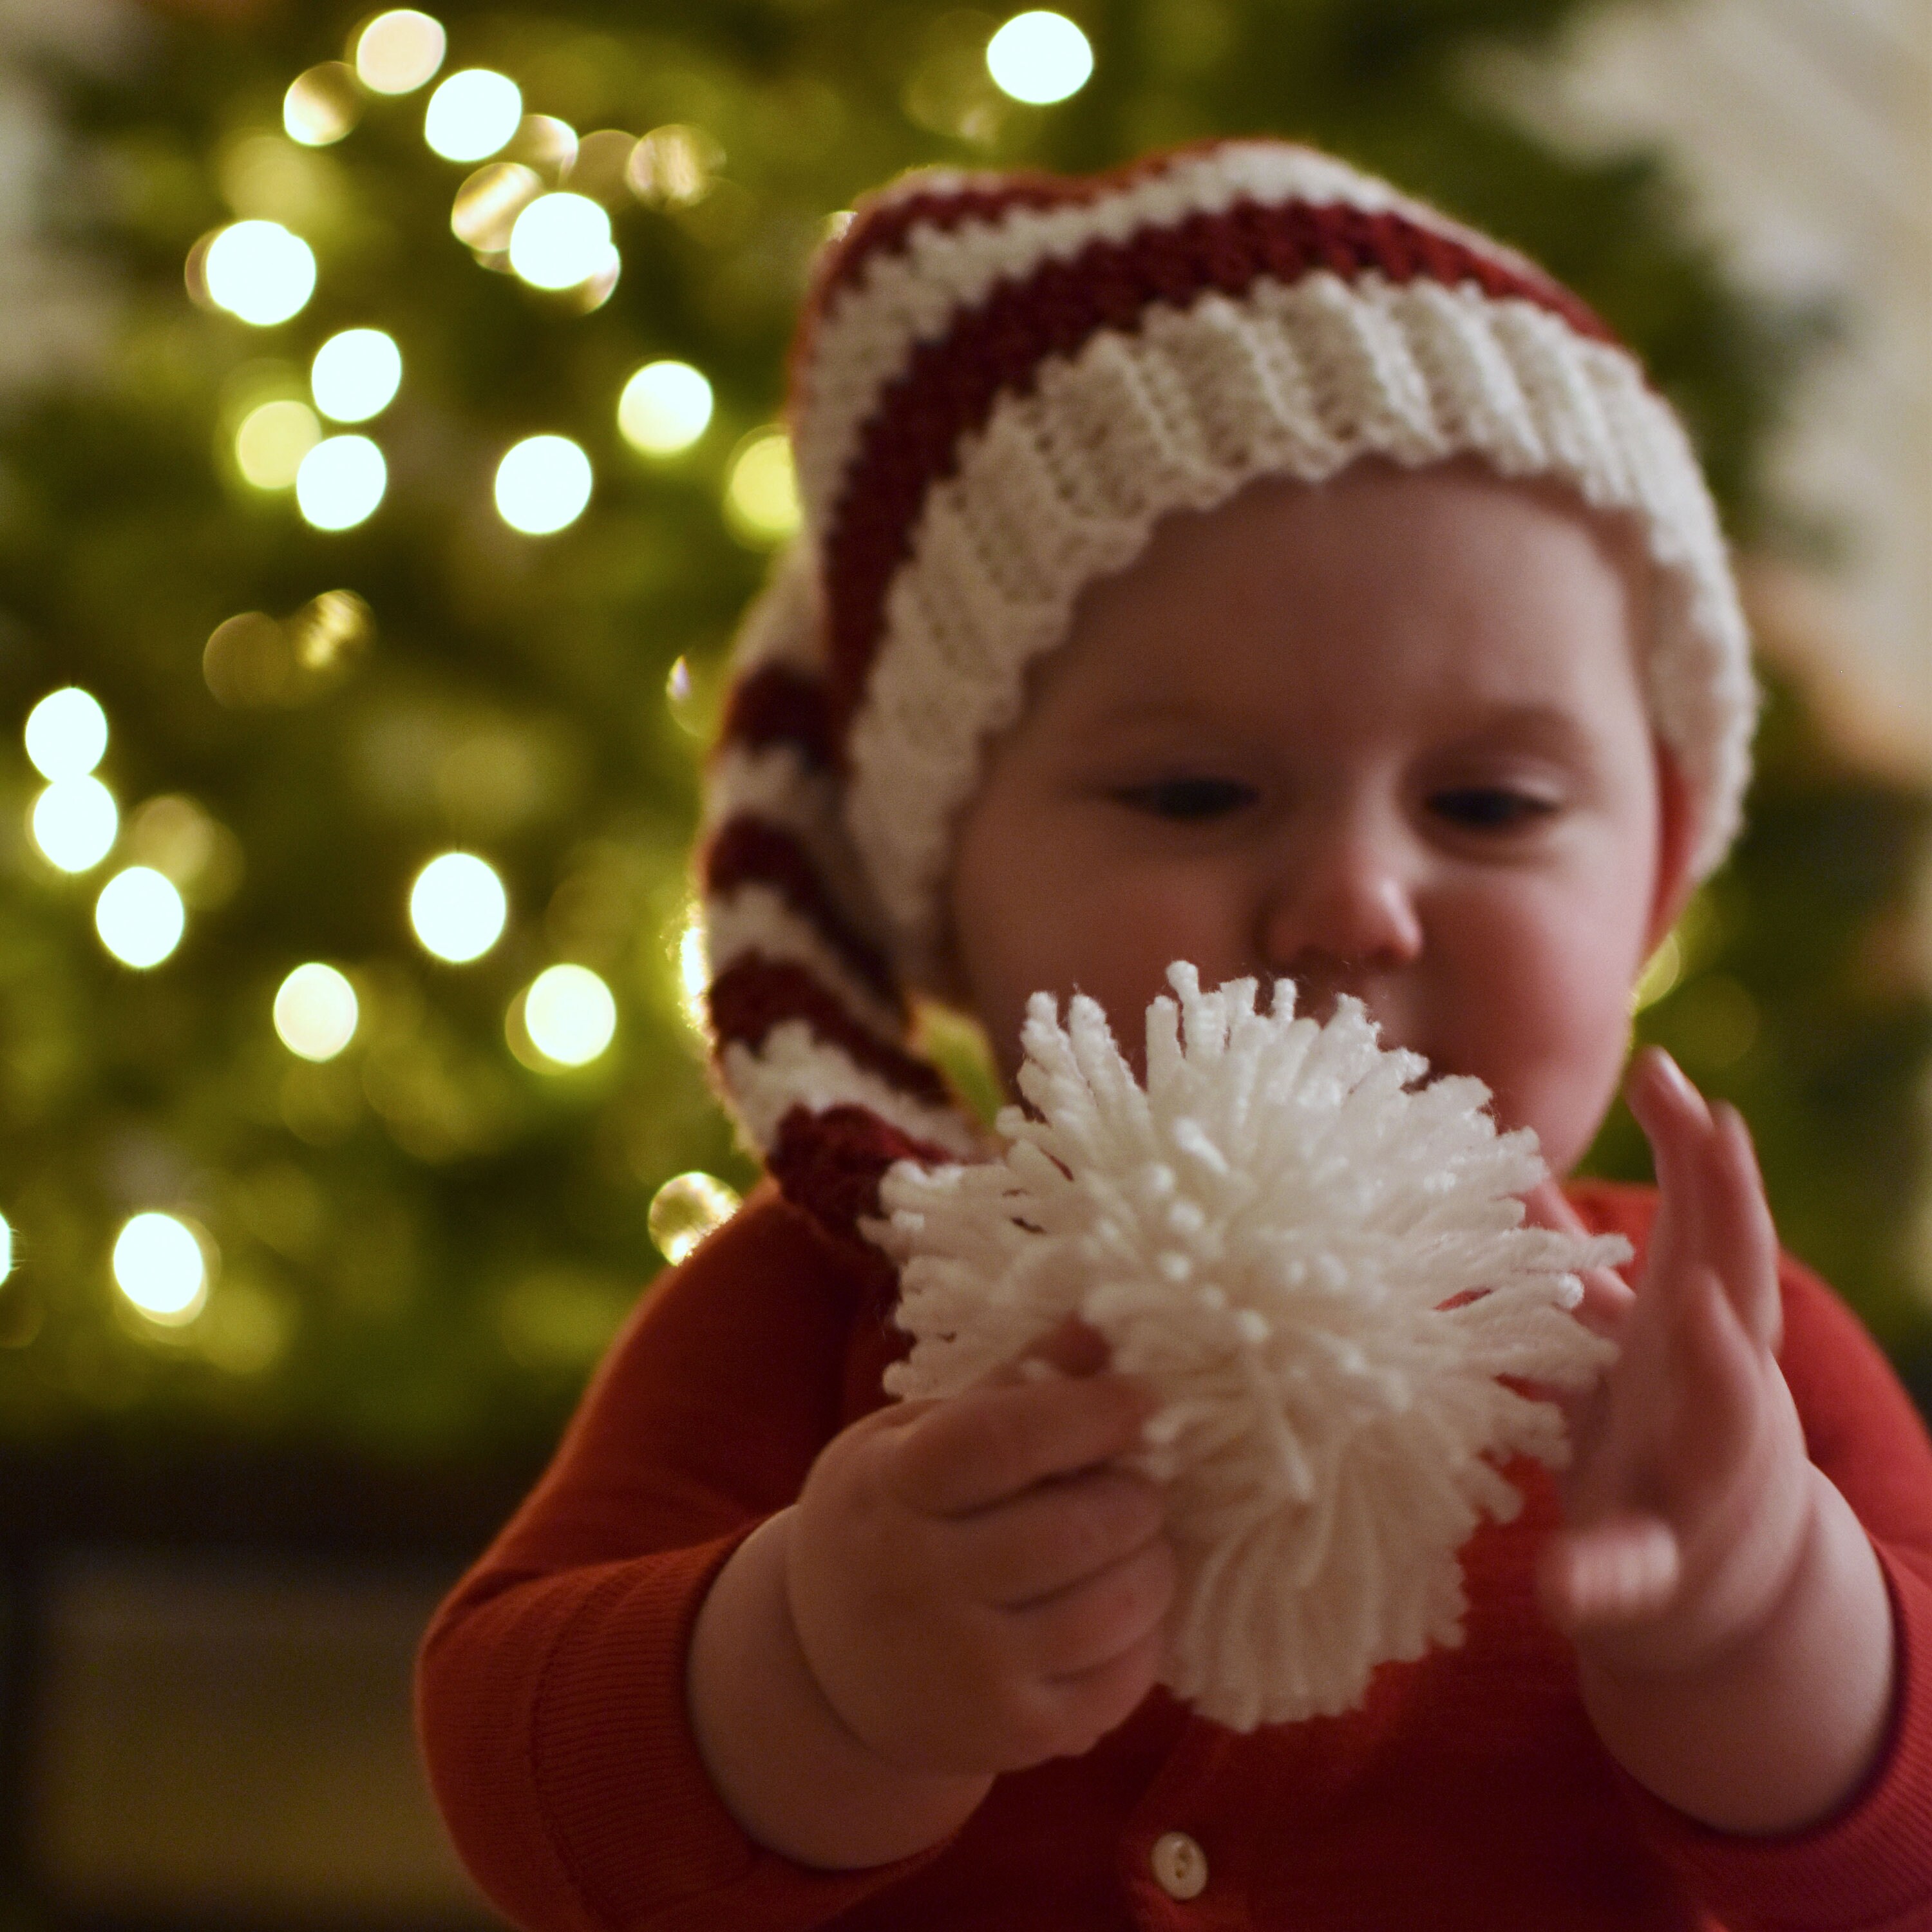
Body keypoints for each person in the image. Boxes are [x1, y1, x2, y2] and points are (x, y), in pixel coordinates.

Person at [416, 141, 1932, 1930]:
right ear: (943, 903)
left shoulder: (1714, 1358)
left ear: (1654, 885)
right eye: (1196, 793)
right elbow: (516, 1771)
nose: (1355, 902)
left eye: (1492, 805)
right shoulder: (838, 1306)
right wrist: (812, 1665)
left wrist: (1766, 1613)